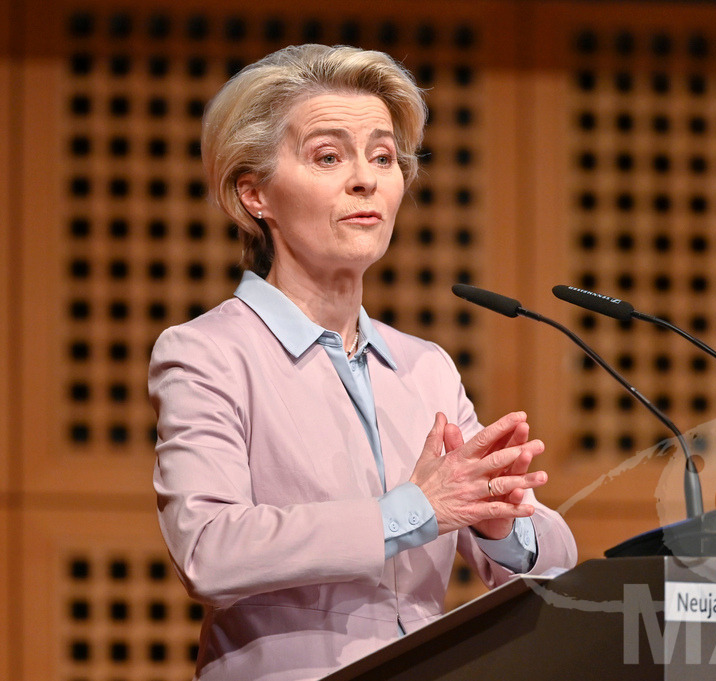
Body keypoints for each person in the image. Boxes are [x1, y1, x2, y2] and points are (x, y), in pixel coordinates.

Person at [149, 44, 577, 681]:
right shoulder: (208, 353)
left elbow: (558, 569)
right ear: (254, 193)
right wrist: (412, 512)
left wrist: (497, 523)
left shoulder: (425, 367)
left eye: (383, 157)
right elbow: (209, 550)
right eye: (329, 157)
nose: (365, 179)